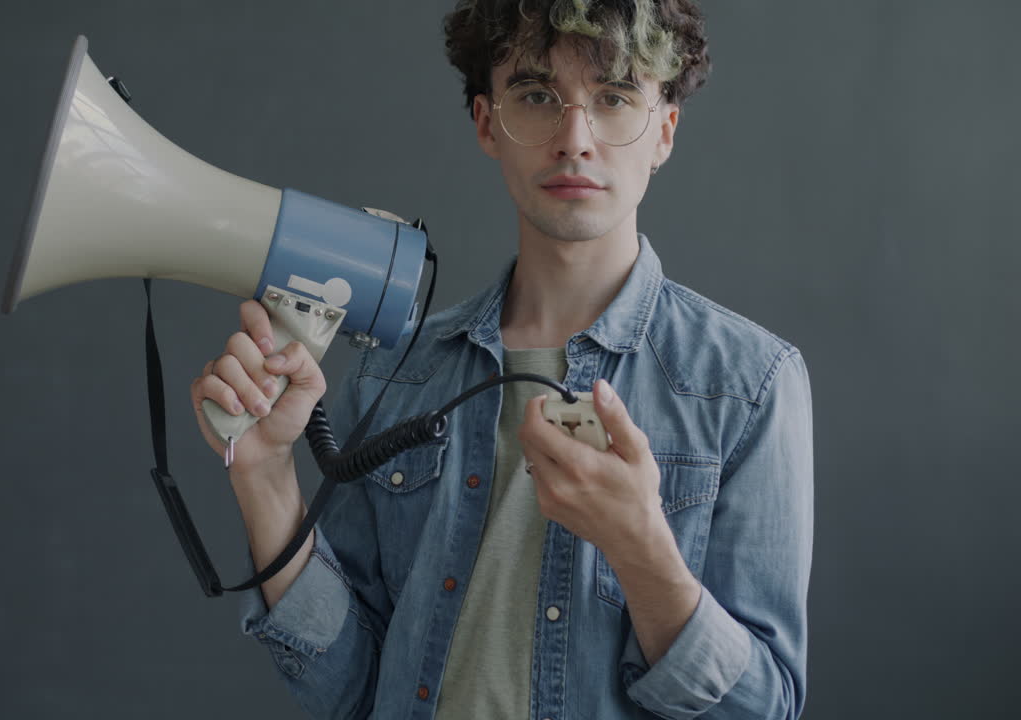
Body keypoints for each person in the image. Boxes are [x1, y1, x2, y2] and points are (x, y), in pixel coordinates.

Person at [189, 1, 813, 718]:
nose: (574, 138)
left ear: (663, 131)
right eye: (538, 96)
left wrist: (642, 548)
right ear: (488, 123)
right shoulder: (398, 372)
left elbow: (766, 708)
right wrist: (267, 477)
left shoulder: (750, 386)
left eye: (613, 98)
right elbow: (350, 689)